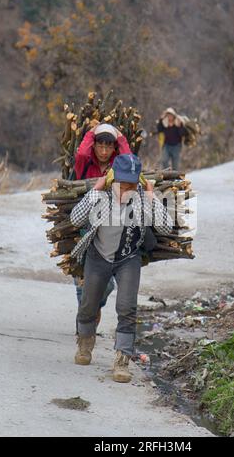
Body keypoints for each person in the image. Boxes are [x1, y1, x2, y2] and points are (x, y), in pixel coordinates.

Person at [70, 154, 173, 383]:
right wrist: (95, 190)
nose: (126, 188)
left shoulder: (141, 199)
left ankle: (122, 360)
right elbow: (75, 219)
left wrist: (151, 197)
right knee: (88, 305)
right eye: (122, 183)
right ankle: (85, 344)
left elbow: (166, 228)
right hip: (98, 257)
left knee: (127, 308)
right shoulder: (102, 197)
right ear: (112, 179)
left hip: (128, 258)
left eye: (131, 184)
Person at [73, 123, 132, 329]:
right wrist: (93, 130)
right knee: (82, 282)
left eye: (109, 147)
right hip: (83, 229)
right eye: (100, 146)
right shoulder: (85, 164)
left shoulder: (117, 165)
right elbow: (80, 153)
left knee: (105, 286)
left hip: (108, 231)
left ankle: (92, 310)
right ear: (94, 146)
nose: (104, 151)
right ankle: (84, 329)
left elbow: (129, 159)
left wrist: (120, 135)